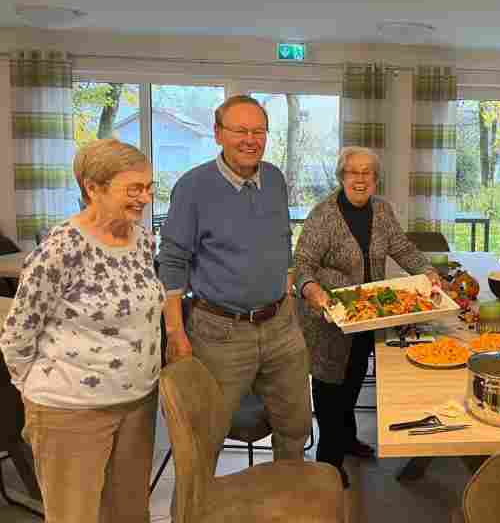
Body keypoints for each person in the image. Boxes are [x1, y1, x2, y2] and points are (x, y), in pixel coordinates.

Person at [0, 139, 163, 522]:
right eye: (134, 188)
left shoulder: (142, 240)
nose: (145, 197)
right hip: (70, 412)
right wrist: (43, 392)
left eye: (149, 187)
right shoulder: (61, 248)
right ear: (94, 188)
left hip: (137, 404)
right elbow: (18, 332)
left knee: (128, 514)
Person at [157, 95, 311, 463]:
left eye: (258, 131)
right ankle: (195, 512)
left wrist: (287, 298)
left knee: (296, 427)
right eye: (240, 130)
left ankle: (286, 503)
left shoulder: (274, 178)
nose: (250, 139)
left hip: (280, 328)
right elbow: (173, 262)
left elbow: (282, 241)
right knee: (204, 436)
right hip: (219, 332)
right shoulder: (192, 188)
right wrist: (176, 333)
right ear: (217, 134)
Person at [295, 146, 440, 488]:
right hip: (328, 317)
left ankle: (347, 440)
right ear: (341, 176)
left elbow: (402, 248)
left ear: (375, 179)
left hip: (367, 313)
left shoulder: (382, 210)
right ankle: (329, 464)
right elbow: (302, 264)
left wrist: (428, 272)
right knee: (331, 391)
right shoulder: (323, 215)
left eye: (367, 173)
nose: (360, 179)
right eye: (352, 172)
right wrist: (311, 290)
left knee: (353, 381)